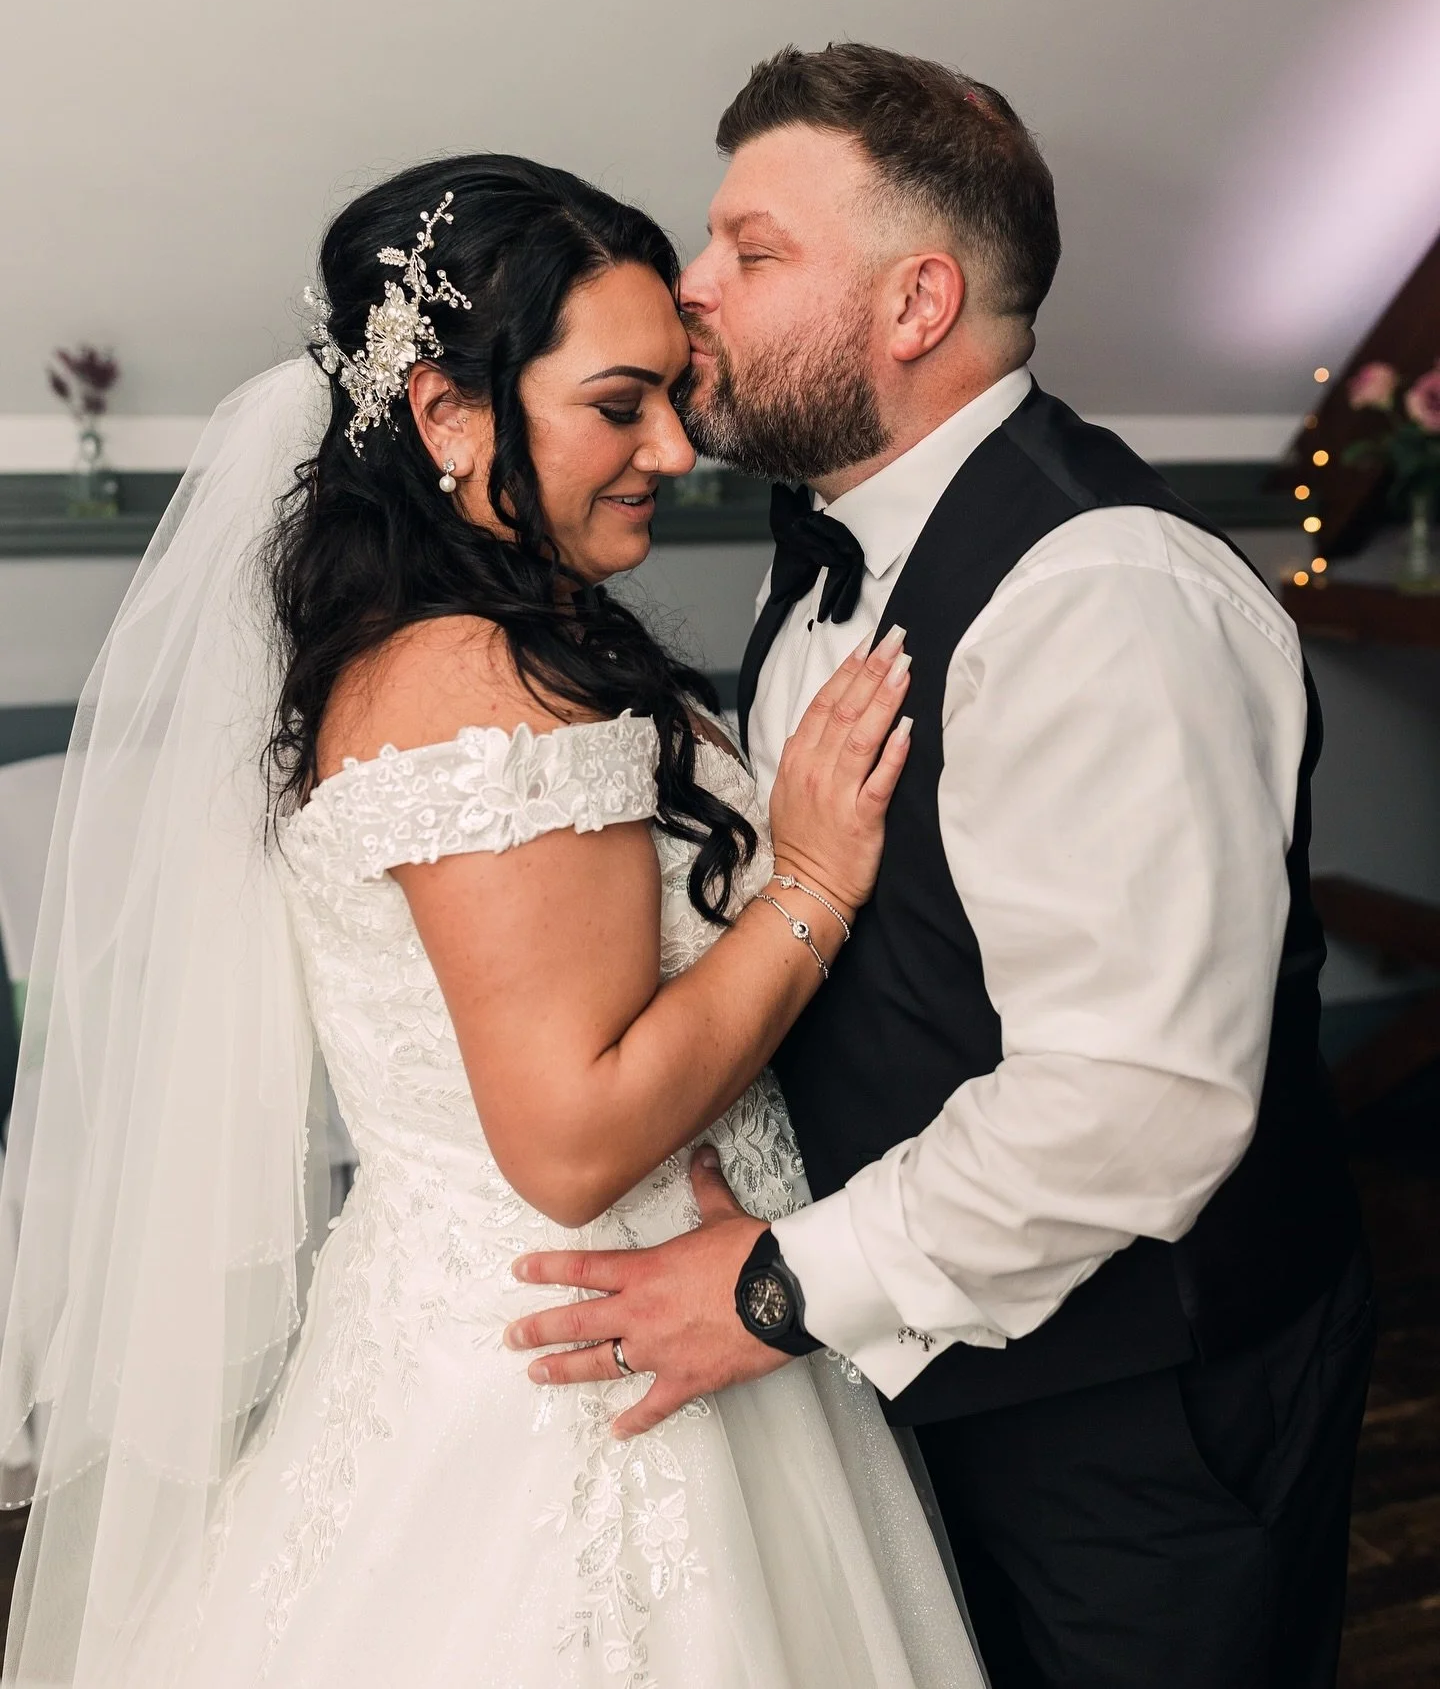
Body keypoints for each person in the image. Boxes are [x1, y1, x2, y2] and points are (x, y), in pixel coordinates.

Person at [0, 157, 986, 1686]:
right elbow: (574, 1141)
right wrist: (813, 882)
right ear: (448, 415)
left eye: (675, 391)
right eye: (618, 404)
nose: (676, 444)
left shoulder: (458, 635)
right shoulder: (485, 689)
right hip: (587, 1390)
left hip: (535, 1332)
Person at [510, 45, 1377, 1689]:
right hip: (914, 1355)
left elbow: (1132, 1099)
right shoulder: (847, 529)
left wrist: (771, 1286)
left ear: (916, 304)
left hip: (1139, 1414)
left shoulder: (1101, 598)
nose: (690, 291)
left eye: (751, 252)